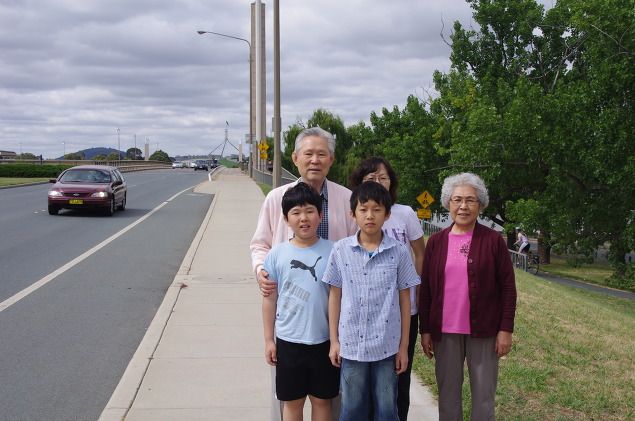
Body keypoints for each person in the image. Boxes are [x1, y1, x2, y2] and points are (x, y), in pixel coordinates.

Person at [250, 126, 357, 420]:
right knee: (288, 398)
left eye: (322, 154)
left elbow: (356, 246)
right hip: (290, 317)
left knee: (329, 396)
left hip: (334, 314)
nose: (315, 160)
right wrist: (261, 270)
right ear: (295, 158)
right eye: (308, 153)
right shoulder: (277, 198)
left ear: (331, 159)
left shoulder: (347, 199)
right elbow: (260, 243)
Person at [418, 172, 517, 421]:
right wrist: (425, 330)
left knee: (483, 397)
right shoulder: (436, 242)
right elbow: (426, 288)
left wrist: (505, 329)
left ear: (480, 205)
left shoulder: (493, 241)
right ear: (448, 203)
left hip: (484, 332)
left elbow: (508, 287)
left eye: (470, 200)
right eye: (457, 200)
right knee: (448, 396)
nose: (463, 206)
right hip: (445, 332)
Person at [323, 181, 420, 420]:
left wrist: (403, 347)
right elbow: (335, 296)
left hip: (386, 347)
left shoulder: (399, 252)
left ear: (387, 215)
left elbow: (405, 301)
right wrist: (334, 341)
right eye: (363, 209)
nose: (370, 216)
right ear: (352, 213)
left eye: (377, 210)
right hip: (351, 346)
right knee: (352, 409)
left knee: (387, 410)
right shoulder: (340, 250)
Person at [349, 157, 425, 421]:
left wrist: (415, 287)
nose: (378, 182)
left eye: (383, 177)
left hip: (404, 309)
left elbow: (420, 253)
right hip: (367, 310)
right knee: (366, 380)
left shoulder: (405, 213)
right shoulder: (358, 213)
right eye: (371, 178)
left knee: (399, 375)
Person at [262, 182, 340, 421]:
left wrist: (336, 341)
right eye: (296, 212)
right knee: (292, 402)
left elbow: (337, 297)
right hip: (288, 341)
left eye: (309, 211)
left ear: (320, 215)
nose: (303, 218)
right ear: (286, 219)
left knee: (322, 400)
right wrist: (269, 339)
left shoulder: (335, 251)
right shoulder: (276, 254)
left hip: (324, 341)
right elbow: (269, 299)